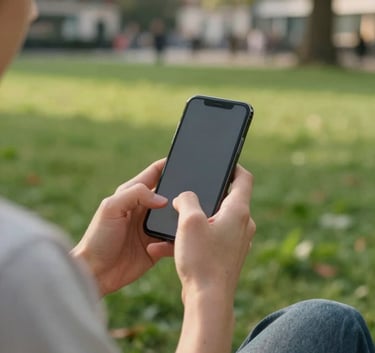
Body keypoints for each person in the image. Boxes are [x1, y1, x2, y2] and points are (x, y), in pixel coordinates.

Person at [0, 1, 374, 353]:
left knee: (323, 321)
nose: (32, 9)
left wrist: (88, 270)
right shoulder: (19, 262)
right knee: (330, 326)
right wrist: (208, 289)